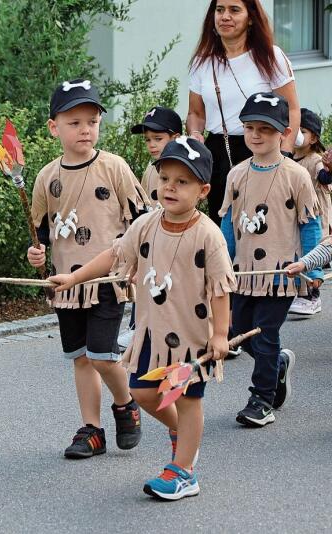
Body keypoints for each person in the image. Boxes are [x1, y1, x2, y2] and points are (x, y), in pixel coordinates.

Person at [49, 136, 233, 501]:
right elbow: (114, 256)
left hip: (192, 337)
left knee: (187, 398)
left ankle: (183, 471)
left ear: (203, 189)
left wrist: (222, 334)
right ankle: (182, 436)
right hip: (152, 333)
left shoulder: (208, 235)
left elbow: (220, 288)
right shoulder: (146, 225)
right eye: (165, 178)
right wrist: (73, 277)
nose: (170, 187)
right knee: (142, 392)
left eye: (182, 182)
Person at [27, 79, 147, 459]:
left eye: (92, 121)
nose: (85, 129)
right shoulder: (47, 177)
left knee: (101, 355)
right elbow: (42, 232)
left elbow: (142, 222)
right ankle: (91, 429)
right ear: (53, 127)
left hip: (109, 281)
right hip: (66, 283)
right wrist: (36, 254)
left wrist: (142, 262)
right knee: (80, 357)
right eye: (75, 122)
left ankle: (126, 403)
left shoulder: (114, 167)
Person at [219, 92, 323, 427]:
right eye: (249, 127)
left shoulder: (296, 175)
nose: (255, 135)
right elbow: (227, 226)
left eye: (265, 128)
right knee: (238, 331)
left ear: (283, 133)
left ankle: (261, 399)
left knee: (264, 335)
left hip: (281, 275)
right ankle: (276, 364)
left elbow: (310, 223)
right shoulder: (236, 174)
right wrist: (220, 266)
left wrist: (313, 265)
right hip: (243, 274)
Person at [187, 0, 299, 226]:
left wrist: (284, 155)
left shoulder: (271, 56)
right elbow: (196, 113)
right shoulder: (202, 62)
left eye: (234, 10)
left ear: (250, 18)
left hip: (264, 149)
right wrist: (195, 135)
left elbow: (292, 109)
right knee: (223, 225)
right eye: (220, 10)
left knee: (266, 225)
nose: (225, 16)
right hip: (218, 152)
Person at [118, 106, 183, 350]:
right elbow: (146, 203)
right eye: (148, 140)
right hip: (153, 236)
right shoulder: (151, 167)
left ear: (175, 138)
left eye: (158, 139)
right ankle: (139, 327)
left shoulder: (181, 168)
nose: (152, 145)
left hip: (176, 237)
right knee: (147, 277)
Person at [288, 108, 331, 316]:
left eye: (301, 131)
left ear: (313, 137)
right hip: (295, 215)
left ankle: (313, 295)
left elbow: (323, 177)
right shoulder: (287, 158)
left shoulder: (315, 160)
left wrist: (329, 170)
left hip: (315, 215)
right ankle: (301, 293)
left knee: (312, 251)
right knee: (297, 253)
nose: (296, 135)